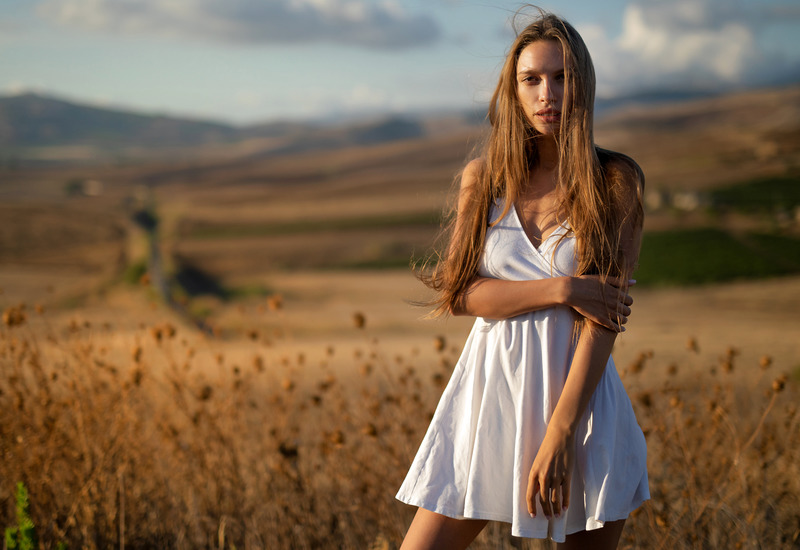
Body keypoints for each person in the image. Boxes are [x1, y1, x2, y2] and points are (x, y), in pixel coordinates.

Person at [396, 9, 649, 550]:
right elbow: (460, 293)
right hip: (488, 399)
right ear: (513, 91)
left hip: (581, 412)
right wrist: (561, 288)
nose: (547, 94)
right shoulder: (484, 179)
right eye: (531, 79)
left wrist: (561, 432)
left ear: (583, 84)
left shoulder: (616, 181)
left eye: (561, 78)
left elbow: (604, 319)